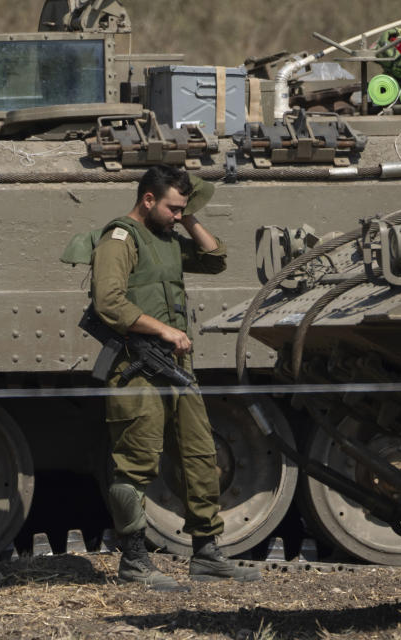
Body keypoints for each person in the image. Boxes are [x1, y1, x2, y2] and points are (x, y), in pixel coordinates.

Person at [90, 164, 260, 591]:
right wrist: (163, 329)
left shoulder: (167, 238)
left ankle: (206, 553)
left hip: (175, 368)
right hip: (137, 367)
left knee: (201, 455)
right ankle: (134, 561)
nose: (177, 215)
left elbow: (216, 259)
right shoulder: (121, 239)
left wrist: (187, 216)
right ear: (148, 199)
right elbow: (108, 302)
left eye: (181, 209)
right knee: (135, 463)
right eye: (171, 207)